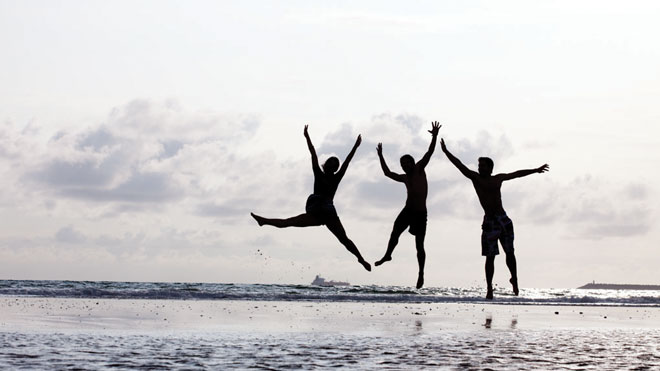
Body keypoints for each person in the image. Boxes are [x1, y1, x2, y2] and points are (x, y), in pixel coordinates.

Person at [251, 125, 371, 271]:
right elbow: (313, 154)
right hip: (315, 212)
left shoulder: (337, 177)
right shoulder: (318, 173)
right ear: (326, 165)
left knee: (344, 239)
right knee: (289, 222)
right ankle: (263, 221)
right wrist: (307, 137)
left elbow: (347, 161)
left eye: (335, 165)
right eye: (331, 164)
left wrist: (356, 146)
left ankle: (361, 260)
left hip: (328, 214)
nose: (333, 166)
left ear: (336, 168)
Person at [441, 138, 549, 299]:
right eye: (479, 166)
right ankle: (489, 288)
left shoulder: (497, 179)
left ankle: (514, 278)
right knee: (490, 257)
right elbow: (460, 165)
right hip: (490, 222)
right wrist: (446, 151)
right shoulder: (475, 178)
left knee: (510, 252)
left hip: (503, 220)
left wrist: (535, 170)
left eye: (483, 166)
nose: (480, 168)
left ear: (490, 168)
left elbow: (517, 174)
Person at [374, 121, 442, 289]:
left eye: (406, 163)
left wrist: (434, 136)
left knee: (419, 245)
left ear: (412, 163)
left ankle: (421, 274)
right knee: (394, 232)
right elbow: (387, 173)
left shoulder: (419, 168)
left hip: (420, 214)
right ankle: (388, 255)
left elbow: (430, 152)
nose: (404, 166)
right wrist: (381, 156)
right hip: (407, 211)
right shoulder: (404, 177)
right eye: (402, 164)